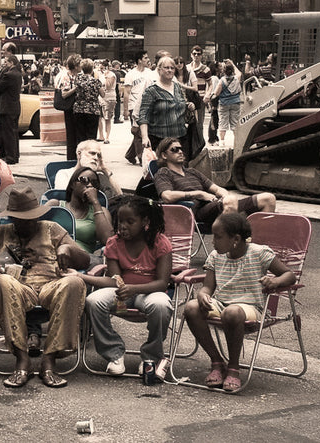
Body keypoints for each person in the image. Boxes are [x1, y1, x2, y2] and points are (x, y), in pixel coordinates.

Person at [0, 186, 89, 389]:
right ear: (12, 219)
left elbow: (85, 261)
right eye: (20, 220)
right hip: (18, 288)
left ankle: (49, 360)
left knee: (75, 282)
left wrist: (67, 249)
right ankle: (21, 359)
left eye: (30, 219)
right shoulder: (2, 233)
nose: (26, 224)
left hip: (52, 286)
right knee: (1, 281)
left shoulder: (51, 229)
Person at [182, 212, 295, 392]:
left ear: (235, 239)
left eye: (218, 237)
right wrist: (202, 294)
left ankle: (233, 368)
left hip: (251, 308)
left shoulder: (259, 253)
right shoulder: (215, 256)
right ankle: (217, 362)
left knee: (232, 312)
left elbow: (290, 275)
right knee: (192, 307)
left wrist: (275, 282)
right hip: (221, 304)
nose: (213, 241)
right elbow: (207, 287)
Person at [71, 197, 172, 378]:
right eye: (120, 221)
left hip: (150, 292)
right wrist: (80, 276)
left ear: (145, 222)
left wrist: (134, 288)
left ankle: (151, 356)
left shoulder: (160, 242)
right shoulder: (114, 243)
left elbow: (163, 283)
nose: (122, 226)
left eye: (130, 222)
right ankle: (114, 353)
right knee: (93, 301)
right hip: (122, 292)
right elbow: (114, 280)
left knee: (161, 305)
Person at [153, 137, 275, 226]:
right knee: (230, 201)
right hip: (194, 211)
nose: (180, 151)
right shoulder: (164, 173)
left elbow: (216, 189)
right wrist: (199, 194)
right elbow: (167, 196)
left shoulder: (192, 172)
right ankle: (232, 248)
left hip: (215, 206)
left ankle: (260, 245)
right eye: (174, 149)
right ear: (164, 155)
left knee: (268, 198)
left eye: (181, 148)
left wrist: (226, 196)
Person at [47, 165, 114, 264]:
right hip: (51, 255)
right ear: (73, 184)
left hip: (81, 260)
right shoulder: (56, 205)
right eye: (84, 180)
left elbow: (108, 240)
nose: (90, 185)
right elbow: (36, 226)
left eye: (94, 183)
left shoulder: (101, 211)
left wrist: (95, 202)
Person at [138, 56, 194, 158]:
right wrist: (145, 137)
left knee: (180, 169)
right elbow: (143, 116)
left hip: (180, 138)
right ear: (159, 70)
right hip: (160, 140)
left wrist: (188, 106)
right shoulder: (151, 91)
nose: (170, 70)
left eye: (172, 68)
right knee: (163, 171)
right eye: (166, 68)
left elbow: (180, 104)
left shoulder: (177, 87)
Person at [52, 139, 123, 198]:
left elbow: (120, 197)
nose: (95, 158)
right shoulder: (64, 174)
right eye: (92, 153)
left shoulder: (100, 177)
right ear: (79, 154)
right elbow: (65, 198)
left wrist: (104, 169)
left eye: (98, 155)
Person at [123, 51, 156, 164]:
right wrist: (126, 110)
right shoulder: (131, 74)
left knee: (141, 131)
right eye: (145, 58)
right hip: (134, 105)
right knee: (138, 133)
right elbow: (126, 93)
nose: (148, 60)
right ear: (139, 60)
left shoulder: (150, 73)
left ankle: (129, 154)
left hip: (146, 105)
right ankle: (141, 157)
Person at [0, 54, 22, 164]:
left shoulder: (9, 75)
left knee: (8, 133)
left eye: (6, 61)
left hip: (7, 107)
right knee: (14, 133)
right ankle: (15, 155)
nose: (4, 63)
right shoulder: (18, 74)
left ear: (11, 62)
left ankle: (10, 156)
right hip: (15, 107)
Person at [55, 54, 81, 161]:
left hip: (77, 108)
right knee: (71, 135)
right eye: (79, 64)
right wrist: (76, 88)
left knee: (77, 135)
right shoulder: (66, 77)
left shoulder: (78, 76)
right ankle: (71, 159)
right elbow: (64, 94)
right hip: (70, 109)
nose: (81, 66)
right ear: (75, 66)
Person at [73, 58, 103, 146]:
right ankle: (90, 154)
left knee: (80, 135)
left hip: (79, 109)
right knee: (91, 136)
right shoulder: (96, 81)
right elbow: (103, 94)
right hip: (93, 110)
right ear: (92, 68)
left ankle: (81, 154)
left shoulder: (77, 79)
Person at [213, 61, 243, 145]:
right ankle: (237, 141)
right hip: (236, 103)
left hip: (224, 104)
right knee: (235, 123)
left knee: (223, 122)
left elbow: (216, 93)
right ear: (232, 70)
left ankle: (222, 141)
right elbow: (239, 73)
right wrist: (232, 63)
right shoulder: (237, 78)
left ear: (223, 71)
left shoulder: (222, 81)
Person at [100, 61, 117, 143]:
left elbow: (108, 86)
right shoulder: (100, 75)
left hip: (109, 98)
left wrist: (106, 77)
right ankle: (101, 135)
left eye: (102, 68)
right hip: (100, 98)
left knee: (107, 118)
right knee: (100, 118)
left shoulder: (111, 75)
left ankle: (107, 137)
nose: (101, 69)